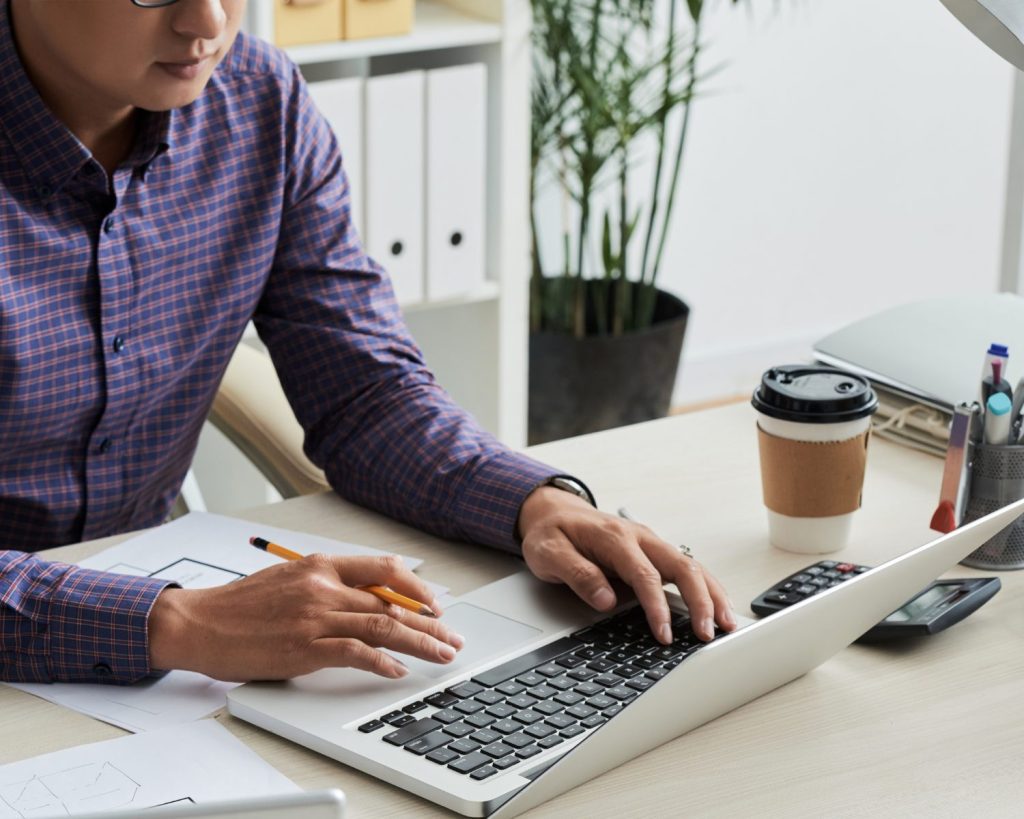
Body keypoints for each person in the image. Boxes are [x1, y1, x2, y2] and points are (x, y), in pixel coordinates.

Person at [0, 0, 735, 686]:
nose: (209, 21)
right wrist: (180, 620)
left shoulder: (258, 102)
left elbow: (364, 393)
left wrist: (532, 505)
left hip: (154, 646)